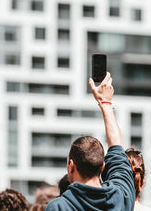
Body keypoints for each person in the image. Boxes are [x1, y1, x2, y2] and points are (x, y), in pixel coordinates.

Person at [45, 72, 135, 211]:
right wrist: (105, 103)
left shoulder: (59, 207)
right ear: (103, 167)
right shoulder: (121, 197)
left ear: (71, 166)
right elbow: (117, 149)